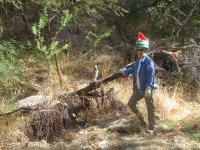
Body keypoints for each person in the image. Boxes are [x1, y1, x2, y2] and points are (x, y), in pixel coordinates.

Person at [120, 32, 157, 132]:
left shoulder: (148, 61)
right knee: (131, 103)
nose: (140, 52)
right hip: (139, 89)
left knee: (150, 107)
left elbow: (151, 74)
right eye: (138, 50)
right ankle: (142, 122)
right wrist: (125, 72)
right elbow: (134, 70)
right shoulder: (138, 61)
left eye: (142, 50)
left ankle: (152, 127)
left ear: (146, 50)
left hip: (147, 88)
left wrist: (149, 87)